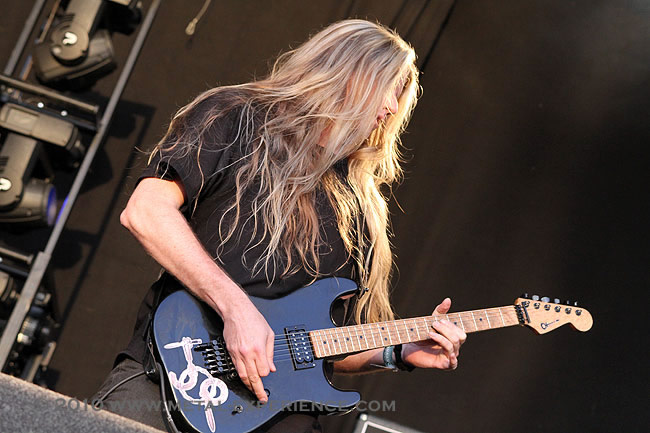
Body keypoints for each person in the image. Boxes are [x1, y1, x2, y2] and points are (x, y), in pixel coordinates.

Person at [92, 19, 466, 433]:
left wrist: (398, 351)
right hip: (167, 382)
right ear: (347, 73)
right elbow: (145, 212)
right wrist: (236, 309)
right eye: (388, 87)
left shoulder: (359, 205)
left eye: (400, 95)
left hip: (277, 416)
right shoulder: (236, 118)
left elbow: (324, 342)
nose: (393, 107)